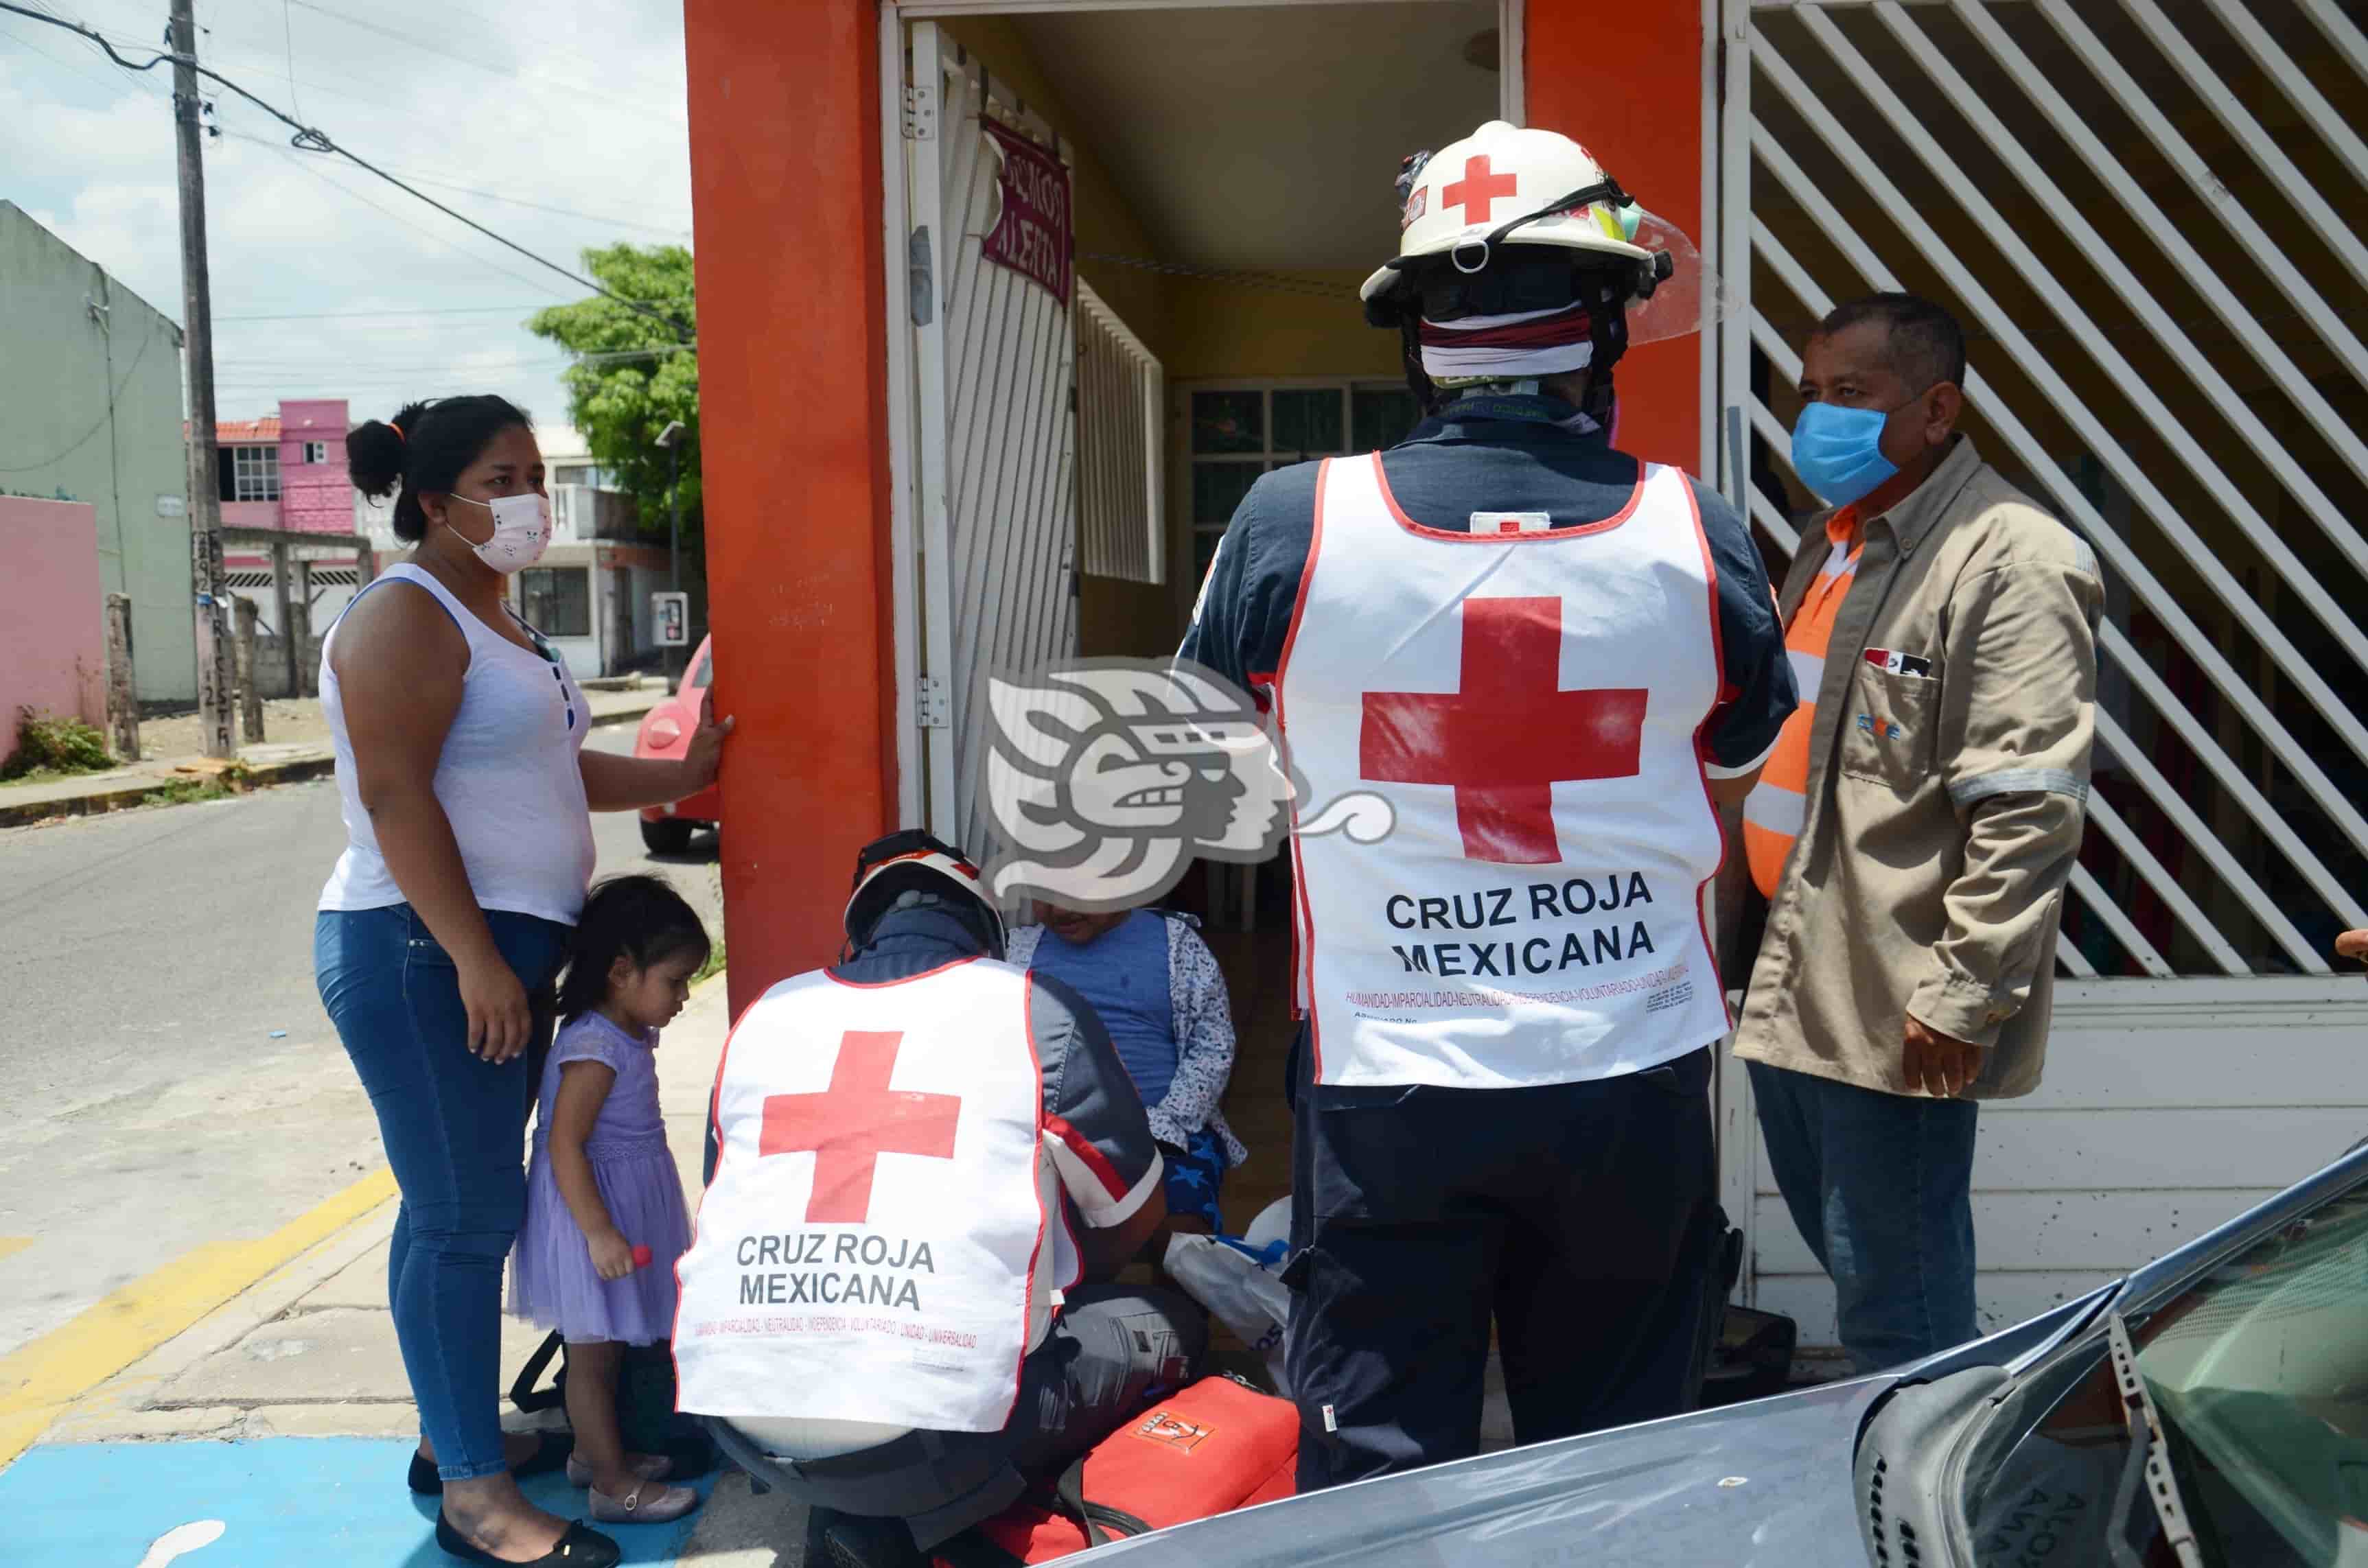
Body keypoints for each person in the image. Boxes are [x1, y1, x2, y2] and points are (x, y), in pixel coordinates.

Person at [1179, 121, 1797, 1490]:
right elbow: (1747, 737)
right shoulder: (1700, 529)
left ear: (1414, 335)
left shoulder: (1291, 521)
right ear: (1606, 326)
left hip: (1393, 1077)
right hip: (1630, 1078)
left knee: (1382, 1470)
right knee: (1617, 1464)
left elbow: (1204, 763)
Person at [316, 396, 732, 1568]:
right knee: (464, 1218)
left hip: (484, 950)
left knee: (449, 1210)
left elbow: (549, 771)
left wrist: (675, 767)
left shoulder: (501, 620)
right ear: (436, 500)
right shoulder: (407, 613)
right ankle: (479, 1495)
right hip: (422, 950)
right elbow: (397, 796)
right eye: (503, 477)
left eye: (535, 473)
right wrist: (475, 959)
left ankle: (454, 1439)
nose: (529, 498)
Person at [1730, 294, 2102, 1374]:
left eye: (1852, 395)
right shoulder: (1831, 543)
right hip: (1792, 968)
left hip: (1895, 998)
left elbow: (2027, 801)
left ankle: (1947, 1520)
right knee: (1858, 1265)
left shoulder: (2008, 559)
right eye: (1810, 395)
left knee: (1903, 1308)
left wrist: (1964, 993)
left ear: (1937, 407)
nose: (1819, 421)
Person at [675, 832, 1206, 1563]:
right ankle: (964, 1515)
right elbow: (1133, 1215)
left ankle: (871, 1516)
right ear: (989, 935)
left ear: (859, 932)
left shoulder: (764, 1014)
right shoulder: (1036, 1009)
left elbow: (728, 1196)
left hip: (743, 1428)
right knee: (1168, 1322)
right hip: (945, 1441)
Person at [507, 875, 708, 1526]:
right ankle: (612, 1487)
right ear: (622, 971)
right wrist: (598, 1232)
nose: (682, 996)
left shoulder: (625, 1034)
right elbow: (563, 1144)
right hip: (593, 1215)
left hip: (622, 1205)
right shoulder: (594, 1046)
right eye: (674, 981)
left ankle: (596, 1456)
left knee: (610, 1345)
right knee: (591, 1360)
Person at [1007, 900, 1248, 1237]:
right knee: (1034, 1228)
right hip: (1053, 1137)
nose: (1061, 910)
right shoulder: (1017, 952)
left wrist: (1167, 1122)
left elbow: (1212, 1045)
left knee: (1183, 1238)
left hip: (1168, 1134)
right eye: (1045, 892)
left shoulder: (1176, 945)